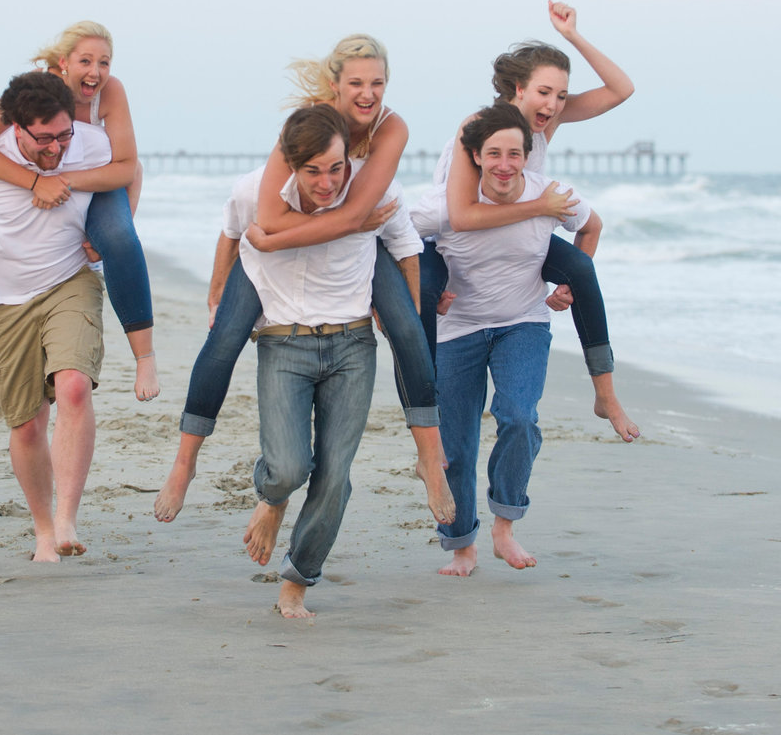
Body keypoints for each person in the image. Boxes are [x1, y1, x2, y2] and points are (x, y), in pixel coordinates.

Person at [155, 35, 454, 528]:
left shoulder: (391, 127)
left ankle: (429, 456)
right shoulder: (306, 125)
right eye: (356, 83)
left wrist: (296, 235)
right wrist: (225, 281)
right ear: (335, 85)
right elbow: (264, 218)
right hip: (282, 250)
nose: (368, 93)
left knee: (408, 327)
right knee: (224, 338)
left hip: (360, 239)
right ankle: (185, 462)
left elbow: (355, 215)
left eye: (377, 82)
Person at [226, 105, 420, 617]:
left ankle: (297, 580)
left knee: (335, 476)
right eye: (313, 171)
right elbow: (231, 235)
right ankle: (273, 497)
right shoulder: (257, 195)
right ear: (291, 166)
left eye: (337, 168)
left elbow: (406, 247)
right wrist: (216, 296)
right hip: (284, 344)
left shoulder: (371, 195)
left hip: (352, 347)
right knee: (288, 468)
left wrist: (409, 316)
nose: (328, 182)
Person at [421, 1, 639, 442]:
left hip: (513, 235)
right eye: (544, 92)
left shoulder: (545, 123)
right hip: (453, 237)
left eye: (561, 96)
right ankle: (423, 408)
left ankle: (605, 394)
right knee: (424, 296)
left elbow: (621, 89)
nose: (554, 105)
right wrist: (541, 208)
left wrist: (572, 36)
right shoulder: (479, 127)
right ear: (518, 89)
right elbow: (462, 214)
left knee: (580, 268)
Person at [0, 21, 157, 413]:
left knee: (120, 239)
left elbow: (129, 167)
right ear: (63, 62)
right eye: (86, 61)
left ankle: (144, 357)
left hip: (88, 177)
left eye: (104, 62)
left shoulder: (110, 93)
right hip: (10, 177)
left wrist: (65, 182)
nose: (95, 72)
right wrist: (34, 182)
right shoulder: (34, 91)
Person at [412, 103, 601, 576]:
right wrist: (426, 289)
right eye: (493, 153)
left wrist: (568, 286)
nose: (504, 164)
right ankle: (462, 545)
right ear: (475, 156)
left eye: (514, 154)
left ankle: (505, 525)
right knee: (456, 446)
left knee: (519, 417)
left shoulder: (549, 195)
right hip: (457, 330)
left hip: (523, 323)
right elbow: (394, 241)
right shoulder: (443, 207)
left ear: (527, 156)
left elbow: (591, 226)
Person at [0, 71, 108, 562]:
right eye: (44, 138)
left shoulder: (89, 145)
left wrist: (108, 234)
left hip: (70, 281)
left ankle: (67, 519)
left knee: (74, 386)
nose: (57, 148)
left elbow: (130, 170)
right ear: (16, 128)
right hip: (6, 300)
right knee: (28, 425)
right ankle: (43, 530)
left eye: (63, 135)